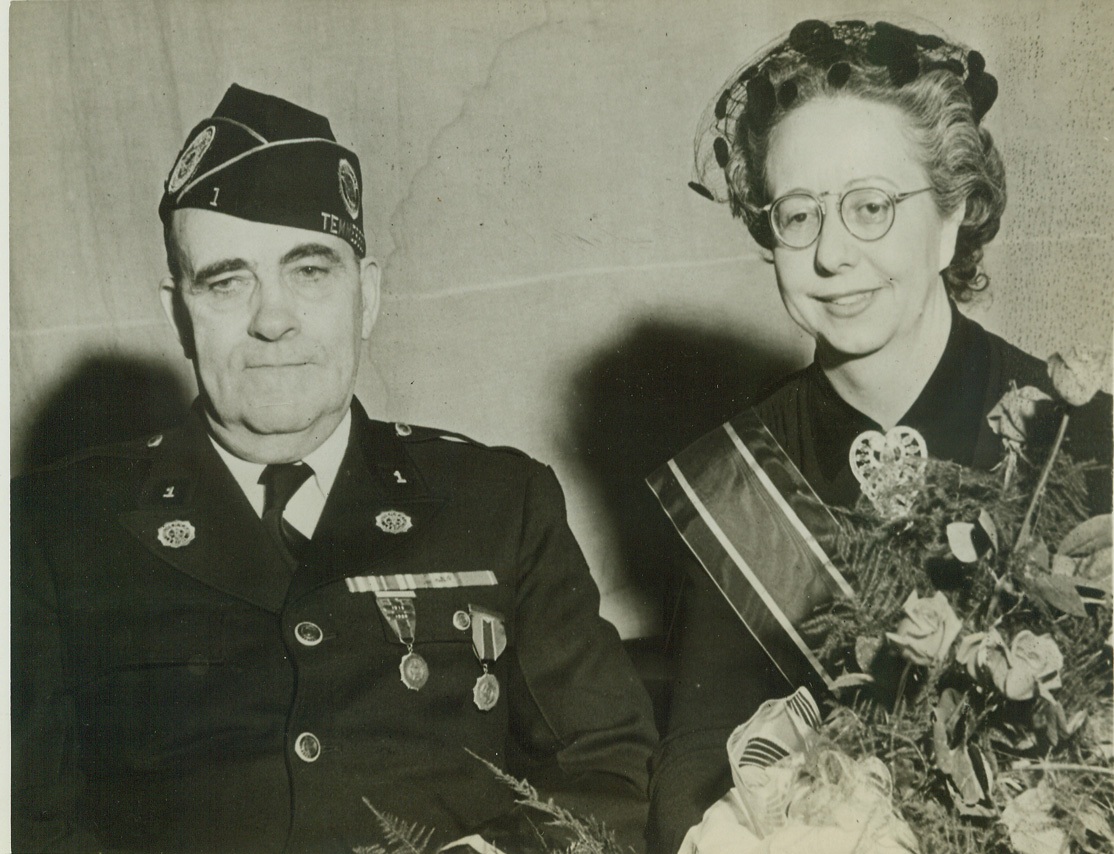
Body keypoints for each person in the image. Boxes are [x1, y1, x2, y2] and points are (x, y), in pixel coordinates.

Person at [12, 84, 657, 854]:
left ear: (368, 295)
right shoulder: (50, 528)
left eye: (309, 271)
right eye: (226, 281)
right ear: (177, 314)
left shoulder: (498, 503)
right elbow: (26, 819)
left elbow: (606, 765)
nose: (273, 318)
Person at [646, 18, 1112, 853]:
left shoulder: (1086, 439)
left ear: (951, 215)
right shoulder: (736, 479)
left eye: (870, 207)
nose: (831, 254)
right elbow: (697, 771)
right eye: (798, 215)